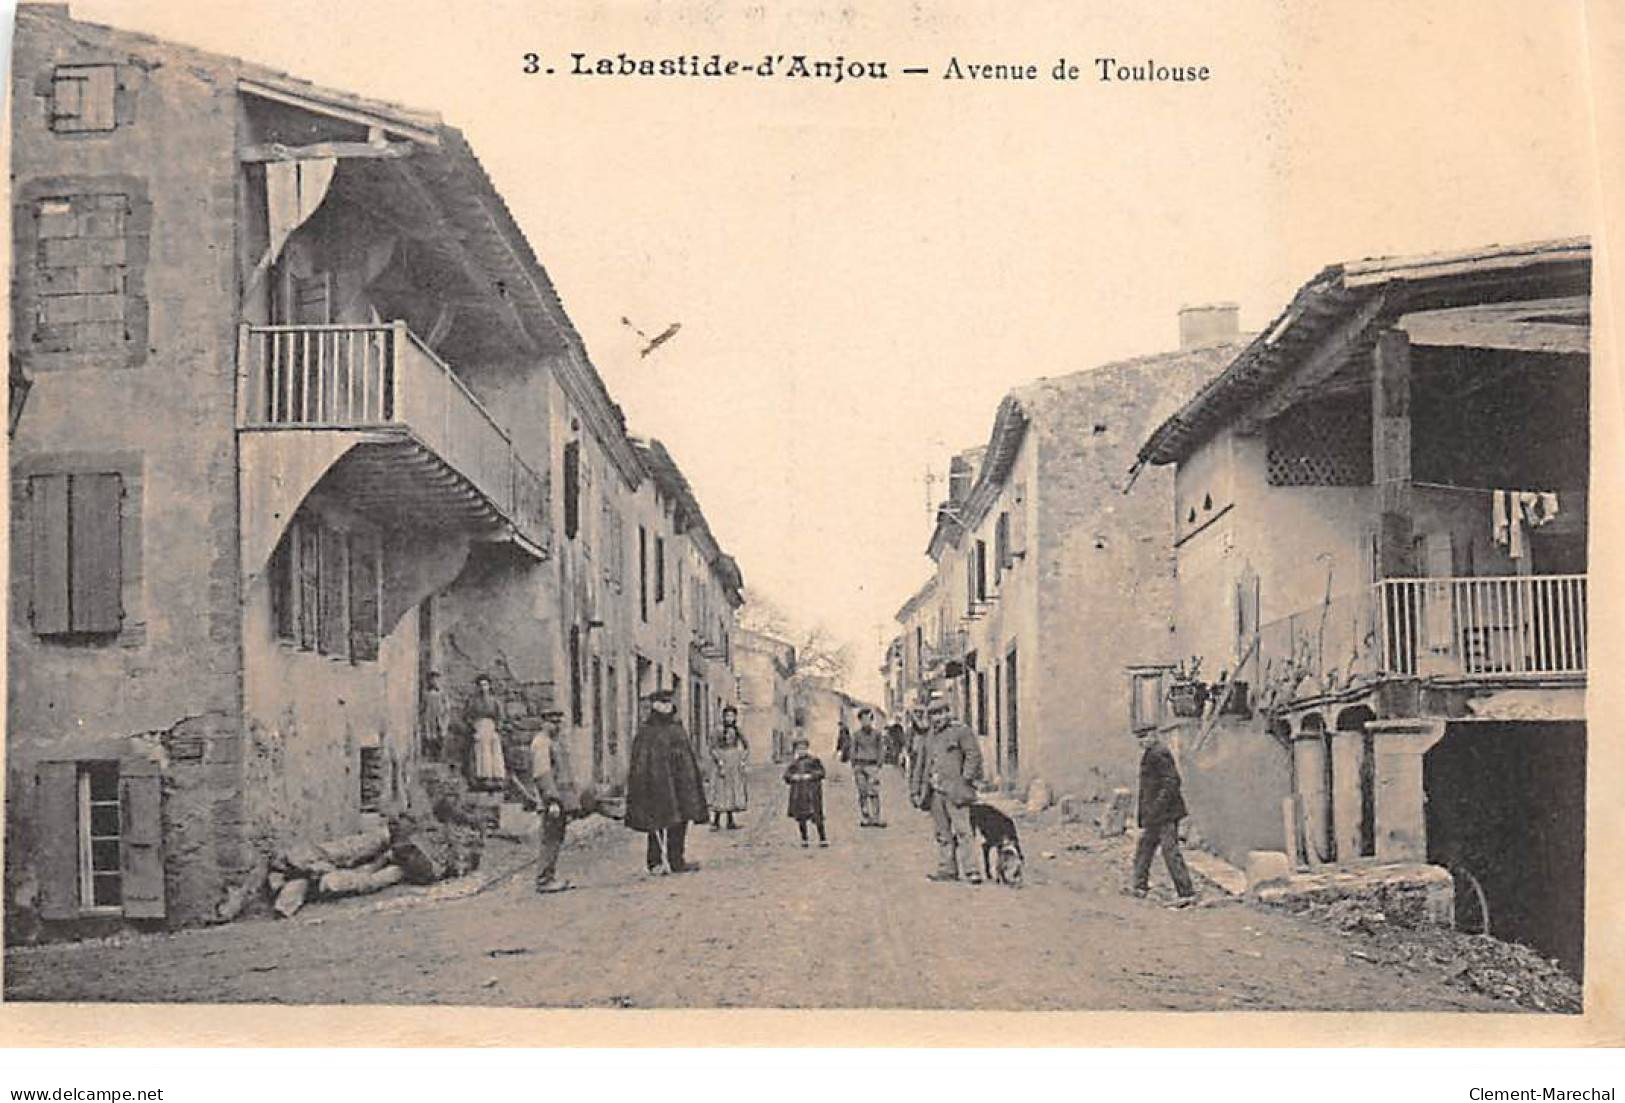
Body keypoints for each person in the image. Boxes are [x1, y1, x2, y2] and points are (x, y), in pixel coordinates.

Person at [624, 689, 710, 875]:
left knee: (680, 822)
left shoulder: (677, 728)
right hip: (657, 787)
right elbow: (639, 762)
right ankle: (655, 863)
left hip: (680, 787)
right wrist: (640, 784)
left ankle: (677, 860)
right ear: (654, 706)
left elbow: (688, 757)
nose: (665, 706)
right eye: (660, 702)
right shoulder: (646, 731)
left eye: (668, 702)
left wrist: (692, 780)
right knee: (656, 823)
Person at [909, 694, 983, 883]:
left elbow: (973, 755)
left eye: (942, 713)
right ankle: (947, 869)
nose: (938, 718)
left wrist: (965, 778)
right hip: (934, 791)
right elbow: (921, 763)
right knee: (942, 833)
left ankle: (971, 870)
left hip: (957, 791)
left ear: (948, 713)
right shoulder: (928, 737)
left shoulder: (961, 731)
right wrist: (915, 789)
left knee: (963, 831)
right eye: (934, 714)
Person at [1131, 728, 1198, 906]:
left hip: (1165, 814)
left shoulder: (1159, 753)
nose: (1141, 741)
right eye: (1139, 738)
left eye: (1144, 737)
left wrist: (1158, 806)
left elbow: (1172, 781)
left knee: (1170, 851)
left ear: (1153, 736)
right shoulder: (1151, 753)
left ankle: (1186, 892)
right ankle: (1139, 886)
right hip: (1156, 814)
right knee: (1145, 847)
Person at [527, 708, 588, 894]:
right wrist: (551, 800)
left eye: (558, 722)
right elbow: (542, 773)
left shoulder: (556, 742)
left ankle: (549, 876)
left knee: (556, 837)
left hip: (561, 798)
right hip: (551, 800)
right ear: (543, 723)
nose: (556, 726)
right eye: (552, 722)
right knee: (550, 838)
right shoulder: (541, 743)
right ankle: (544, 879)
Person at [709, 705, 749, 831]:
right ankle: (715, 821)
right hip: (722, 761)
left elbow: (746, 746)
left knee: (731, 791)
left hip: (734, 762)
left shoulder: (737, 730)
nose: (730, 718)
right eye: (727, 716)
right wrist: (719, 761)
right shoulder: (718, 730)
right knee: (720, 790)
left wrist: (742, 759)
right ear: (723, 717)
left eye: (732, 716)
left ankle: (730, 821)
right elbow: (712, 748)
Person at [782, 736, 828, 847]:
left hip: (812, 794)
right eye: (799, 749)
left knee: (817, 816)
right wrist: (793, 777)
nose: (801, 751)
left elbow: (822, 772)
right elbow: (786, 776)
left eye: (803, 748)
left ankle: (822, 838)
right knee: (801, 817)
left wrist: (811, 776)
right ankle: (804, 839)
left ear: (807, 748)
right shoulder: (794, 764)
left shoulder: (814, 761)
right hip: (799, 795)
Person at [465, 673, 506, 792]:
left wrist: (498, 727)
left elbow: (500, 716)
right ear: (477, 687)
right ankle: (484, 777)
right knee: (482, 751)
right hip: (479, 726)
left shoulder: (494, 701)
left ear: (489, 686)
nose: (483, 688)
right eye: (481, 685)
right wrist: (473, 726)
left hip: (491, 727)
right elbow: (467, 716)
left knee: (495, 751)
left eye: (485, 685)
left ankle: (497, 777)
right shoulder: (473, 701)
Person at [848, 707, 886, 827]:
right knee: (862, 792)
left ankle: (876, 817)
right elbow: (853, 750)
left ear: (871, 720)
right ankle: (865, 817)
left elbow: (881, 749)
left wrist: (879, 763)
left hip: (872, 765)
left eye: (868, 719)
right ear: (860, 721)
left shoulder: (877, 734)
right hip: (860, 765)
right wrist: (854, 764)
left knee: (874, 792)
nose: (866, 722)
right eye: (863, 719)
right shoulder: (856, 735)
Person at [420, 670, 452, 762]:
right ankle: (430, 756)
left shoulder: (442, 693)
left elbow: (447, 706)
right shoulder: (426, 693)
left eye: (436, 680)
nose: (434, 682)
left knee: (440, 736)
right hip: (429, 718)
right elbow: (423, 706)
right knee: (430, 736)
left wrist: (445, 716)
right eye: (432, 680)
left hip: (440, 717)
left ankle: (440, 756)